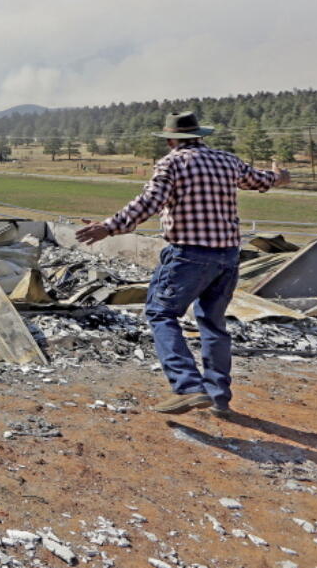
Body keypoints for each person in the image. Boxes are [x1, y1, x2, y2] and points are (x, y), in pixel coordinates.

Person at [75, 111, 290, 415]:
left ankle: (188, 387)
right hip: (227, 256)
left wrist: (109, 227)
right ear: (200, 135)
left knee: (161, 313)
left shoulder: (173, 162)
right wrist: (280, 176)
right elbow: (261, 179)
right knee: (213, 323)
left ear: (171, 139)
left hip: (188, 255)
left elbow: (149, 202)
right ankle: (218, 396)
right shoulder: (227, 160)